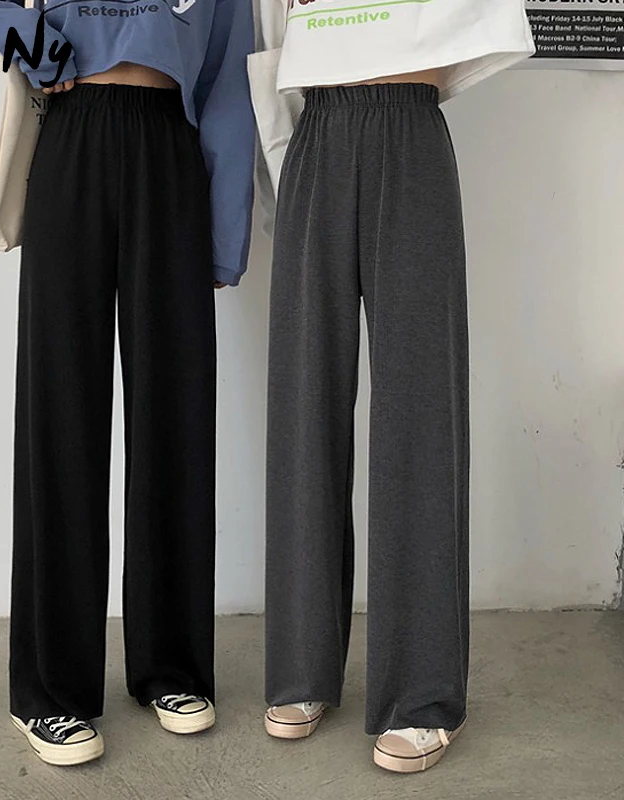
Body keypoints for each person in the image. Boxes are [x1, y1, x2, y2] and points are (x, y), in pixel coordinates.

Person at [0, 0, 255, 766]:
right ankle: (49, 689)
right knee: (62, 413)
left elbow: (227, 82)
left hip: (170, 149)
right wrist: (40, 48)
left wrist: (224, 235)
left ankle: (171, 668)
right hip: (73, 138)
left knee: (176, 415)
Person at [248, 0, 534, 773]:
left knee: (420, 412)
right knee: (304, 404)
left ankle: (422, 694)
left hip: (409, 128)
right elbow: (269, 43)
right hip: (316, 134)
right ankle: (302, 669)